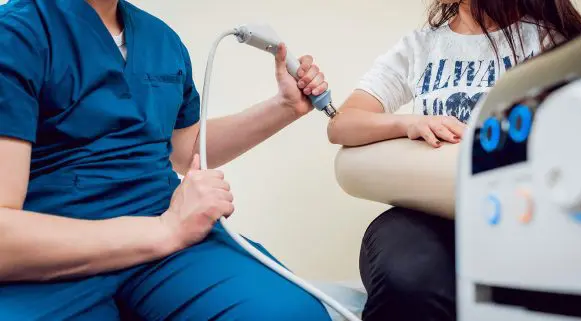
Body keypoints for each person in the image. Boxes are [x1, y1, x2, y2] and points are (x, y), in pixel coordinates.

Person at [0, 0, 332, 320]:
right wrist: (165, 229)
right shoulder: (16, 34)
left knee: (291, 312)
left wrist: (284, 107)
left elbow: (185, 149)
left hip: (169, 244)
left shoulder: (160, 39)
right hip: (57, 250)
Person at [328, 0, 581, 320]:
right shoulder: (421, 46)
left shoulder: (548, 42)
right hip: (424, 217)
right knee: (409, 281)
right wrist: (410, 123)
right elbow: (342, 124)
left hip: (516, 214)